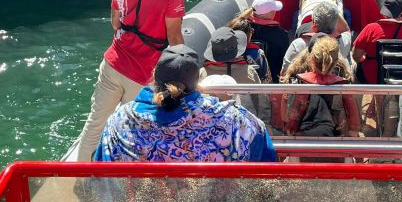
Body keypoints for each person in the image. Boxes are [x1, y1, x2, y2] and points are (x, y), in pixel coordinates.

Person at [76, 0, 186, 161]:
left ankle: (81, 176)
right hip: (142, 73)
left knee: (96, 122)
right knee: (136, 130)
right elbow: (174, 37)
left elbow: (115, 23)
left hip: (113, 63)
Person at [95, 45, 276, 162]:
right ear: (197, 82)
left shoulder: (121, 119)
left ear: (155, 77)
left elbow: (100, 172)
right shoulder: (233, 117)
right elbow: (265, 156)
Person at [280, 34, 361, 137]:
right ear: (336, 61)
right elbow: (354, 128)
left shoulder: (297, 82)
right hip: (334, 143)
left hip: (301, 141)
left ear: (311, 58)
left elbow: (285, 118)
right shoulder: (343, 86)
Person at [351, 0, 402, 84]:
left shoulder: (371, 28)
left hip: (373, 78)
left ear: (384, 11)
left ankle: (370, 96)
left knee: (354, 66)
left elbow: (356, 56)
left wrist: (366, 60)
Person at [282, 1, 353, 73]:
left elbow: (284, 72)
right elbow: (346, 29)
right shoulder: (343, 43)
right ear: (336, 23)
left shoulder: (298, 45)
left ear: (314, 24)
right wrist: (335, 14)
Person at [246, 0, 291, 83]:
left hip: (248, 76)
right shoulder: (282, 35)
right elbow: (284, 60)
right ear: (271, 13)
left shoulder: (243, 28)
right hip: (273, 79)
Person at [225, 13, 270, 81]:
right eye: (251, 30)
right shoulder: (258, 54)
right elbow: (267, 79)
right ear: (247, 35)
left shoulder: (219, 52)